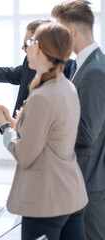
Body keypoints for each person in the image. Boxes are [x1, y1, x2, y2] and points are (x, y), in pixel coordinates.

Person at [0, 22, 88, 240]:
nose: (25, 49)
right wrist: (12, 120)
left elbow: (25, 155)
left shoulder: (42, 96)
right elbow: (49, 135)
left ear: (38, 48)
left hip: (46, 199)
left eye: (28, 43)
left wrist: (2, 124)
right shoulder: (66, 87)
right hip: (71, 193)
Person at [52, 1, 105, 239]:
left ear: (70, 32)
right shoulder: (85, 64)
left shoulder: (95, 70)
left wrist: (47, 123)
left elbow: (87, 134)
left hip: (89, 185)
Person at [0, 19, 73, 115]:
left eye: (26, 43)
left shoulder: (69, 71)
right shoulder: (29, 64)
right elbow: (8, 73)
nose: (22, 48)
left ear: (40, 45)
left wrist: (2, 121)